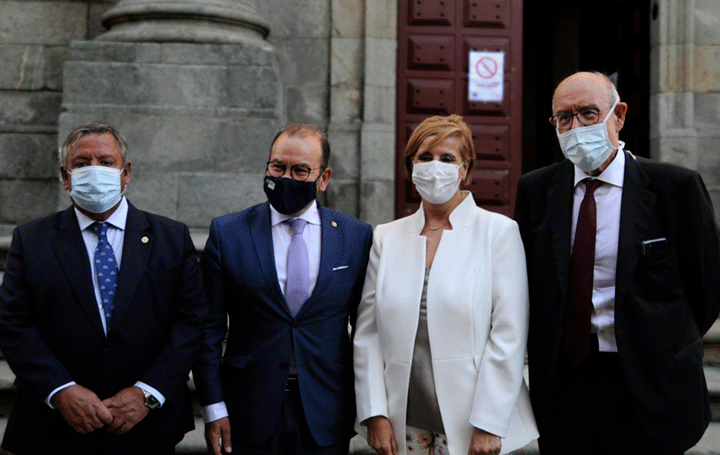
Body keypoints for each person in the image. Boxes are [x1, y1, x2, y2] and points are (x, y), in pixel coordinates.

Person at [514, 71, 720, 454]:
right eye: (564, 117)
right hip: (565, 381)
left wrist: (663, 339)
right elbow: (530, 281)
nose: (575, 126)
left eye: (589, 113)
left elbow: (706, 285)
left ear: (618, 115)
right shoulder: (536, 190)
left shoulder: (675, 188)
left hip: (648, 380)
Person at [0, 121, 206, 455]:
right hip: (53, 429)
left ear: (126, 173)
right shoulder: (32, 240)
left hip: (147, 429)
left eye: (106, 162)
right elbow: (13, 324)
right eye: (81, 164)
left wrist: (145, 393)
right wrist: (61, 390)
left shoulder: (171, 238)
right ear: (65, 177)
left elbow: (191, 322)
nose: (94, 171)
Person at [353, 114, 538, 455]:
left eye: (447, 158)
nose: (434, 166)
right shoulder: (386, 237)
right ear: (410, 167)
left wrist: (489, 421)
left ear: (465, 169)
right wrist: (374, 413)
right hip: (402, 418)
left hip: (472, 420)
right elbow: (368, 333)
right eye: (425, 157)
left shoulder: (498, 233)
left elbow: (509, 333)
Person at [192, 123, 373, 455]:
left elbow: (367, 329)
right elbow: (207, 330)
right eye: (278, 167)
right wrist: (213, 406)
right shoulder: (229, 232)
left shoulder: (355, 236)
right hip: (247, 410)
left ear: (324, 178)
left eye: (300, 170)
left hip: (326, 410)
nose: (286, 177)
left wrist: (373, 408)